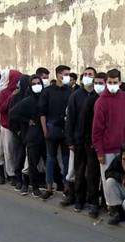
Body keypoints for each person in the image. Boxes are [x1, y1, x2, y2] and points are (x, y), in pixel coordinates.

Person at [92, 68, 125, 213]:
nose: (112, 85)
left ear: (120, 82)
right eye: (109, 82)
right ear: (106, 82)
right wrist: (99, 151)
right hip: (107, 149)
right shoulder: (101, 102)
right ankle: (111, 206)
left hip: (123, 147)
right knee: (108, 178)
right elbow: (96, 130)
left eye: (115, 82)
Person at [64, 67, 97, 210]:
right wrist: (70, 140)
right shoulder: (75, 96)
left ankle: (94, 201)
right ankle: (79, 199)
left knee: (93, 174)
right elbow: (70, 119)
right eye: (85, 74)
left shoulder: (98, 96)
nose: (88, 76)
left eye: (90, 74)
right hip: (78, 140)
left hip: (94, 142)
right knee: (79, 171)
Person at [39, 65, 72, 200]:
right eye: (66, 74)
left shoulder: (70, 91)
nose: (68, 77)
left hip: (65, 130)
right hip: (51, 129)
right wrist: (45, 130)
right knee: (50, 159)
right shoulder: (47, 92)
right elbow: (42, 113)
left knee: (65, 159)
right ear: (58, 74)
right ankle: (49, 187)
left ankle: (66, 186)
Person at [10, 75, 46, 196]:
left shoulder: (45, 97)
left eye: (38, 83)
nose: (37, 86)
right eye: (34, 84)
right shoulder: (27, 100)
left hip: (45, 135)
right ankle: (33, 187)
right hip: (33, 136)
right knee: (32, 163)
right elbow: (13, 113)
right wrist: (27, 120)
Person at [81, 72, 106, 218]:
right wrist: (89, 142)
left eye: (100, 83)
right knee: (93, 174)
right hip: (92, 144)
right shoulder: (90, 101)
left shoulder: (110, 100)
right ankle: (94, 203)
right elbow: (85, 123)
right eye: (95, 83)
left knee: (107, 175)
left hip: (108, 144)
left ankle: (106, 202)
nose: (97, 86)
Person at [0, 70, 23, 186]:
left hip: (18, 125)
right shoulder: (3, 92)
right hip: (6, 125)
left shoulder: (21, 91)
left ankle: (17, 172)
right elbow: (1, 109)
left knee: (17, 151)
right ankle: (10, 174)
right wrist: (11, 97)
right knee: (8, 151)